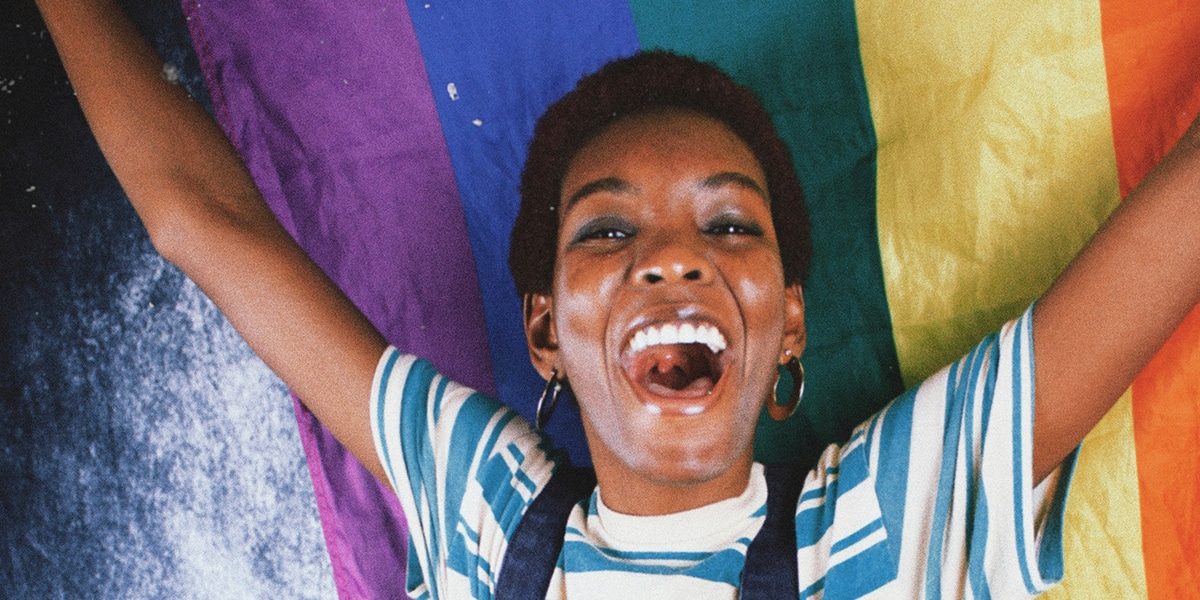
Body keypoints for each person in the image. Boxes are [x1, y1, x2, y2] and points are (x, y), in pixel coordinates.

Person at [35, 0, 1200, 598]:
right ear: (545, 329)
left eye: (729, 223)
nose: (671, 256)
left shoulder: (886, 528)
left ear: (789, 319)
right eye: (608, 229)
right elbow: (203, 221)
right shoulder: (485, 512)